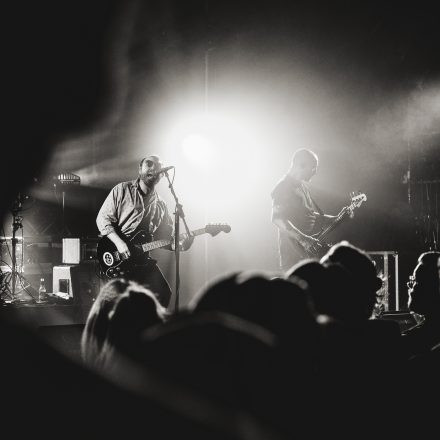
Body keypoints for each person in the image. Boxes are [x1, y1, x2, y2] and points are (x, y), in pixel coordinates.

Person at [96, 155, 194, 308]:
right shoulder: (122, 190)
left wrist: (180, 245)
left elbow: (166, 239)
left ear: (161, 175)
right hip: (118, 255)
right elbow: (102, 219)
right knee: (115, 306)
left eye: (158, 166)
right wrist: (119, 243)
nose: (154, 168)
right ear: (140, 169)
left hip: (142, 259)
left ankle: (147, 330)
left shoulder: (161, 205)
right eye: (149, 164)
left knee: (163, 294)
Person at [271, 148, 338, 271]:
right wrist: (304, 240)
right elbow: (277, 218)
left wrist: (333, 219)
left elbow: (308, 214)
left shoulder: (302, 187)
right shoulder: (283, 187)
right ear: (300, 165)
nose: (315, 172)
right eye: (313, 167)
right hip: (293, 257)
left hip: (307, 255)